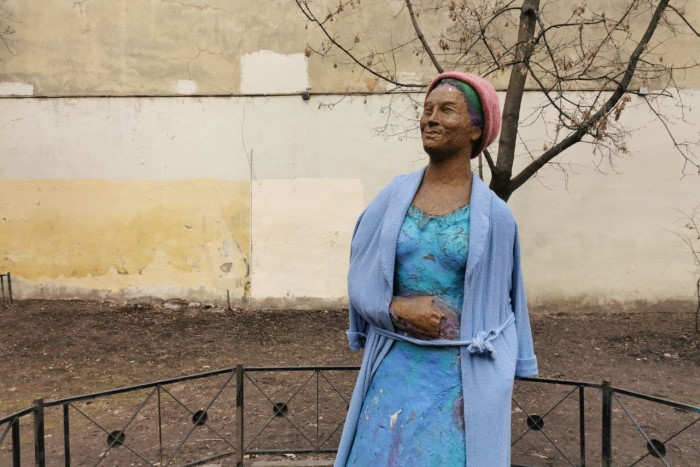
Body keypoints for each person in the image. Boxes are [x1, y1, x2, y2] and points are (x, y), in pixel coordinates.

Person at [335, 72, 538, 467]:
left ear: (476, 130)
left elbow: (509, 302)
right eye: (427, 109)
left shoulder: (496, 218)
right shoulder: (393, 196)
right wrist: (394, 308)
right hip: (394, 370)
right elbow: (360, 271)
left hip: (461, 381)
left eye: (447, 110)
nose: (431, 119)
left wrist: (509, 366)